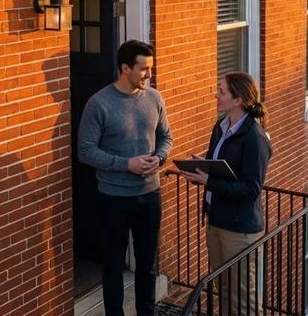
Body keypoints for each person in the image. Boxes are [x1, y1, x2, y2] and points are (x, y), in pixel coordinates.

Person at [78, 40, 173, 316]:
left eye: (150, 69)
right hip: (114, 199)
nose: (149, 75)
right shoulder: (99, 103)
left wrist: (160, 157)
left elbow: (166, 136)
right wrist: (126, 164)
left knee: (147, 265)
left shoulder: (154, 98)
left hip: (150, 195)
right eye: (143, 69)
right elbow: (85, 151)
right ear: (125, 68)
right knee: (113, 266)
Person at [180, 72, 272, 315]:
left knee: (242, 299)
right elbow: (221, 167)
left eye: (221, 91)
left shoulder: (255, 138)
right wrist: (203, 167)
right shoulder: (220, 127)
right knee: (223, 291)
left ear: (238, 100)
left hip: (240, 229)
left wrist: (209, 181)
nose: (216, 95)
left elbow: (251, 189)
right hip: (216, 221)